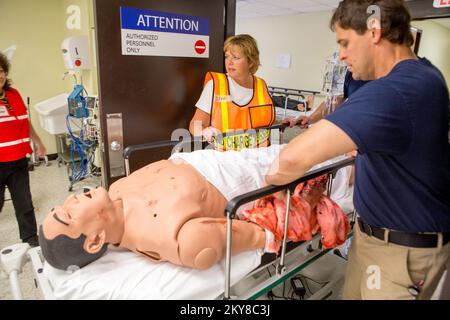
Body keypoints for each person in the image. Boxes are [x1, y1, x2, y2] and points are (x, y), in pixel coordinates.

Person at [266, 0, 450, 300]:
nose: (342, 55)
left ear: (374, 31)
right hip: (373, 237)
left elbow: (290, 158)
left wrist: (268, 200)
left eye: (345, 42)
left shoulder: (396, 91)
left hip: (400, 254)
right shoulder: (426, 75)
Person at [38, 144, 351, 271]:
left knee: (303, 146)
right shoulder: (166, 237)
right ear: (94, 240)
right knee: (329, 160)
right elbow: (265, 233)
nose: (71, 199)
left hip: (222, 157)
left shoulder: (116, 189)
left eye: (62, 203)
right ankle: (364, 165)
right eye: (67, 214)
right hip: (244, 179)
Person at [188, 34, 274, 150]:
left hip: (256, 157)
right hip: (224, 158)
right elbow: (195, 124)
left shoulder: (261, 85)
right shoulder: (215, 85)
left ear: (250, 62)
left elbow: (264, 121)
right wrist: (204, 131)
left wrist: (286, 122)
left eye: (236, 58)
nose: (229, 62)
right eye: (227, 57)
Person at [0, 52, 46, 248]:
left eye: (1, 71)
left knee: (24, 203)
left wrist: (38, 142)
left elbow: (24, 122)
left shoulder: (13, 94)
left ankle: (30, 239)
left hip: (19, 160)